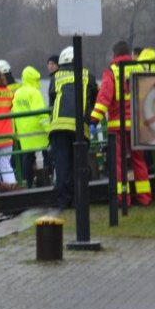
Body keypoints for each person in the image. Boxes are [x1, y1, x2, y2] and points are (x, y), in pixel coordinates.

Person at [89, 40, 153, 208]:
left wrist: (94, 120)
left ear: (114, 54)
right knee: (139, 161)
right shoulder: (141, 69)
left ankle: (122, 199)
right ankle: (145, 197)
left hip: (118, 126)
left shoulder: (112, 72)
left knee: (118, 163)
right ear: (129, 54)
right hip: (138, 125)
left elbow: (103, 99)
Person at [48, 46, 98, 209]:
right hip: (80, 128)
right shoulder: (88, 76)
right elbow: (94, 100)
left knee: (62, 165)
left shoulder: (55, 78)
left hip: (58, 127)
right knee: (79, 165)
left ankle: (64, 201)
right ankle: (79, 199)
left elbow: (52, 98)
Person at [11, 65, 49, 188]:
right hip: (37, 132)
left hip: (23, 133)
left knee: (27, 159)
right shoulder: (35, 92)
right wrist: (50, 129)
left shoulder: (17, 93)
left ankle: (27, 184)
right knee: (46, 155)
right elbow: (41, 113)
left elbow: (13, 113)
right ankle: (46, 180)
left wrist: (14, 131)